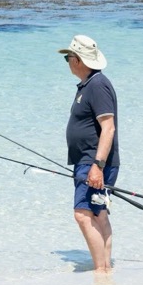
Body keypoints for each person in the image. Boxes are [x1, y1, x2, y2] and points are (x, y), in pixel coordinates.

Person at [59, 34, 119, 272]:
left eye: (67, 58)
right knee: (98, 213)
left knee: (83, 214)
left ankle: (101, 271)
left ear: (78, 60)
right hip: (89, 161)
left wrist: (97, 165)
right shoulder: (90, 85)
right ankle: (105, 269)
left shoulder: (97, 85)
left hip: (93, 162)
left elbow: (108, 127)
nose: (67, 62)